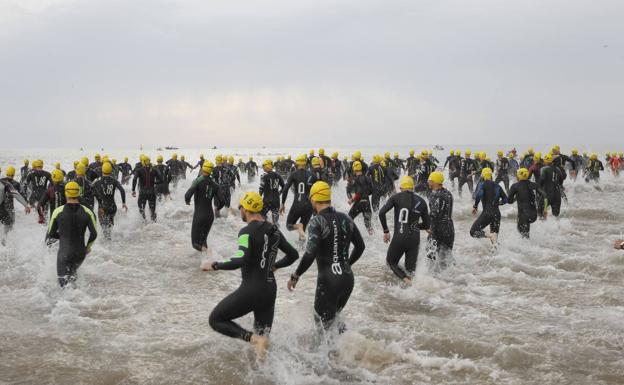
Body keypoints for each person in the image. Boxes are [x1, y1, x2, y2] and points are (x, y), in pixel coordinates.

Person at [202, 192, 299, 360]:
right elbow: (293, 254)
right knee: (264, 342)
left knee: (216, 319)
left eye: (241, 208)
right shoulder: (274, 230)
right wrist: (275, 265)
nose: (240, 211)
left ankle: (252, 339)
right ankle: (266, 373)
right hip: (269, 290)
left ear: (246, 209)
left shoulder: (246, 232)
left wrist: (215, 265)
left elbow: (241, 259)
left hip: (252, 289)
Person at [287, 181, 365, 331]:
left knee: (322, 327)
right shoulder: (346, 218)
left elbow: (310, 253)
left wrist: (296, 275)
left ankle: (337, 353)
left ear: (314, 200)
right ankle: (351, 349)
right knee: (333, 322)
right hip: (347, 279)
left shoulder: (316, 222)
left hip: (329, 282)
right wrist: (346, 264)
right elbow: (360, 247)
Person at [379, 176, 430, 284]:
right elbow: (427, 225)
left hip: (400, 237)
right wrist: (416, 226)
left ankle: (404, 279)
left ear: (401, 187)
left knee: (391, 262)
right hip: (414, 239)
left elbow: (381, 213)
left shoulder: (395, 197)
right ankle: (412, 288)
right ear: (412, 187)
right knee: (411, 270)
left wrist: (386, 231)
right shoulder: (422, 201)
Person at [46, 181, 98, 288]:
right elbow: (94, 234)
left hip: (64, 253)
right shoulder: (88, 212)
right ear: (78, 193)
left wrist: (62, 236)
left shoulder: (58, 211)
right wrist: (87, 247)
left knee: (63, 285)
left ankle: (66, 304)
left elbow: (51, 233)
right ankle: (78, 302)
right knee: (73, 280)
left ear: (66, 193)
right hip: (80, 253)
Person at [184, 161, 222, 253]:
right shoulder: (215, 184)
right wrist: (218, 208)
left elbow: (187, 195)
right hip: (210, 216)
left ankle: (209, 254)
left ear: (203, 169)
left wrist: (187, 201)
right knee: (203, 241)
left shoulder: (198, 180)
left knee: (195, 243)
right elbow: (222, 201)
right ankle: (206, 262)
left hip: (199, 215)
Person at [280, 155, 317, 241]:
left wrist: (282, 203)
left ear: (297, 163)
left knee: (289, 225)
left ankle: (297, 226)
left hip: (298, 204)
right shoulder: (313, 175)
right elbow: (318, 191)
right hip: (309, 206)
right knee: (303, 229)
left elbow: (285, 189)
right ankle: (302, 250)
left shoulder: (293, 174)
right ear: (306, 163)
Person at [470, 168, 507, 244]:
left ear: (483, 176)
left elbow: (479, 195)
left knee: (473, 231)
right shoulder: (498, 186)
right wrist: (497, 203)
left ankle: (489, 235)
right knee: (494, 239)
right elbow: (506, 200)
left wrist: (475, 206)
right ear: (491, 176)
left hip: (487, 213)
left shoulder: (482, 184)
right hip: (497, 214)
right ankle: (497, 253)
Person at [426, 171, 454, 270]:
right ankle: (448, 278)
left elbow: (434, 214)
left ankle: (432, 278)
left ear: (434, 182)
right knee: (446, 256)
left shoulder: (434, 195)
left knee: (430, 254)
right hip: (449, 228)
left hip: (438, 228)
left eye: (430, 180)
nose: (428, 182)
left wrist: (429, 228)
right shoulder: (448, 193)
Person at [507, 168, 547, 238]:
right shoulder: (534, 184)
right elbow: (545, 196)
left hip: (523, 215)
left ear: (519, 176)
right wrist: (545, 209)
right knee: (524, 230)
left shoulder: (515, 186)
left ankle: (527, 247)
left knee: (522, 232)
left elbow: (510, 201)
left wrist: (516, 198)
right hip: (534, 215)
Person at [92, 162, 127, 240]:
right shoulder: (114, 181)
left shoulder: (97, 183)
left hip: (102, 208)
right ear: (111, 171)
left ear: (102, 171)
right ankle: (110, 240)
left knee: (104, 227)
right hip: (112, 207)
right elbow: (122, 190)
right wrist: (123, 203)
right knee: (110, 225)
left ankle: (107, 243)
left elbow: (92, 194)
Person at [0, 166, 31, 235]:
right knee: (9, 225)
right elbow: (18, 195)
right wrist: (26, 205)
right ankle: (5, 242)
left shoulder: (3, 181)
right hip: (7, 207)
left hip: (3, 207)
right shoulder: (8, 184)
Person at [132, 156, 162, 222]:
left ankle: (144, 224)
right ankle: (154, 225)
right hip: (152, 192)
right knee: (152, 211)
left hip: (143, 192)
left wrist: (133, 190)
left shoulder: (139, 170)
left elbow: (134, 179)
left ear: (143, 161)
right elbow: (161, 179)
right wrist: (155, 183)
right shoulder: (154, 169)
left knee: (141, 210)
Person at [347, 161, 374, 234]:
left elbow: (358, 194)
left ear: (354, 169)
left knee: (349, 218)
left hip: (359, 203)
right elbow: (371, 191)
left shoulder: (355, 180)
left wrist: (351, 200)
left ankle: (350, 235)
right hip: (367, 203)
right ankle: (374, 239)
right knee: (368, 225)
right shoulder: (368, 178)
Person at [259, 159, 284, 225]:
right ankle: (276, 232)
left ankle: (266, 228)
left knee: (261, 216)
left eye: (264, 166)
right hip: (276, 201)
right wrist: (279, 193)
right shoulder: (278, 175)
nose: (263, 168)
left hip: (267, 201)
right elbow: (284, 187)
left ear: (267, 166)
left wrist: (259, 198)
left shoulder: (263, 176)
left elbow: (261, 188)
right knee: (275, 221)